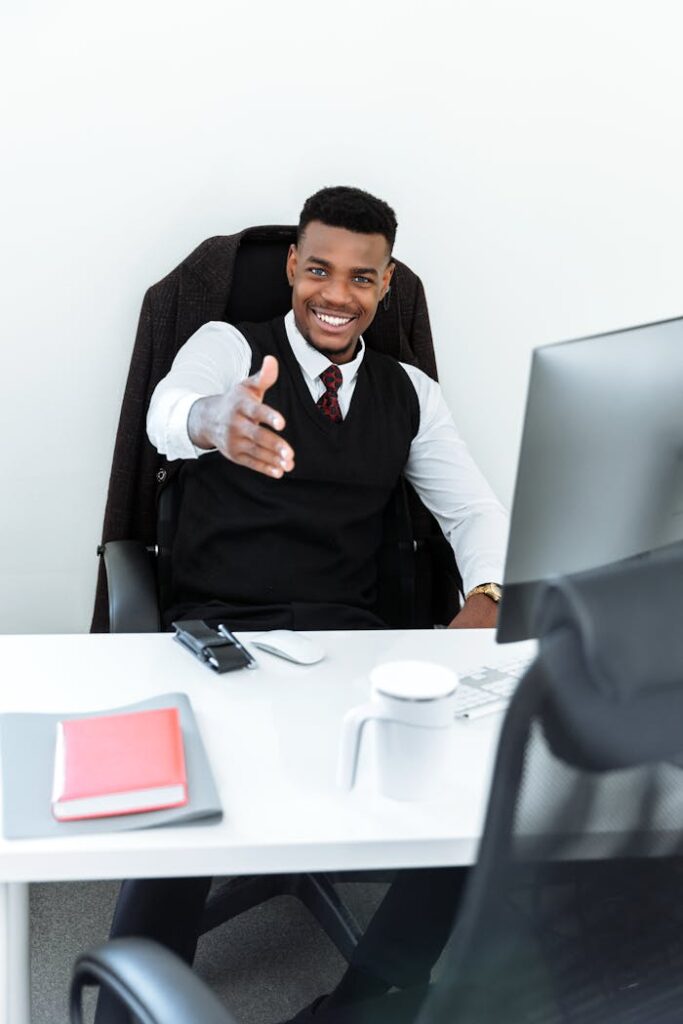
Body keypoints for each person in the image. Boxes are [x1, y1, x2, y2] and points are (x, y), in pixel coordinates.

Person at [96, 186, 507, 1024]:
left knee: (474, 813)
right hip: (216, 633)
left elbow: (472, 511)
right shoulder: (225, 345)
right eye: (317, 269)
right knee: (180, 817)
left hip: (351, 643)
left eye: (361, 278)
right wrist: (215, 420)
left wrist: (489, 596)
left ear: (384, 285)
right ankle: (131, 1009)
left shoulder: (411, 394)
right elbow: (167, 414)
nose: (335, 294)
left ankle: (357, 1006)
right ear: (292, 266)